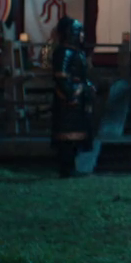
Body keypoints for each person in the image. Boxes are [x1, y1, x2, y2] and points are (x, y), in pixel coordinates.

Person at [49, 17, 97, 178]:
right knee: (66, 137)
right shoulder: (64, 52)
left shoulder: (76, 52)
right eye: (79, 32)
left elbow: (81, 75)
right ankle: (66, 168)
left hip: (79, 98)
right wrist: (71, 94)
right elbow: (61, 77)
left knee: (76, 135)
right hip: (68, 100)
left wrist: (88, 85)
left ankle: (72, 167)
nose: (82, 35)